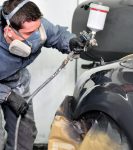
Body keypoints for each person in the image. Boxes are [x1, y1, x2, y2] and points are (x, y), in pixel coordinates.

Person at [0, 0, 85, 150]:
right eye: (28, 34)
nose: (36, 37)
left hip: (16, 80)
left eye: (37, 29)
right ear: (8, 31)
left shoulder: (33, 24)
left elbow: (57, 35)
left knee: (24, 135)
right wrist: (7, 95)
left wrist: (70, 41)